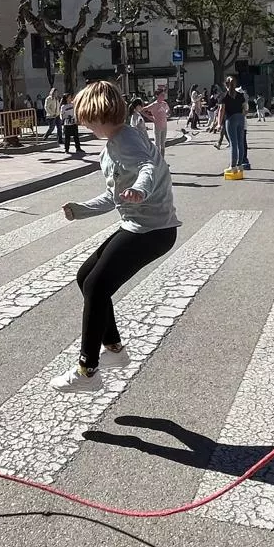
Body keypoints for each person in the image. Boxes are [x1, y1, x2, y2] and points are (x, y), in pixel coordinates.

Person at [54, 81, 180, 392]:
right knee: (86, 277)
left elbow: (148, 166)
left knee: (97, 286)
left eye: (86, 118)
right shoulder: (111, 147)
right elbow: (114, 197)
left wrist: (140, 189)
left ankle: (87, 370)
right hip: (138, 225)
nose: (84, 124)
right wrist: (81, 210)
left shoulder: (125, 139)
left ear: (98, 114)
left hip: (153, 230)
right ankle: (113, 350)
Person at [214, 75, 250, 172]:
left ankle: (233, 166)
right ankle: (240, 165)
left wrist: (219, 123)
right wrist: (242, 115)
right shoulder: (240, 95)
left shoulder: (224, 96)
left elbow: (221, 110)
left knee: (233, 143)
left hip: (231, 119)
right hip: (241, 118)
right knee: (240, 142)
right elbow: (245, 109)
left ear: (226, 85)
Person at [145, 85, 170, 155]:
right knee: (157, 144)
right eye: (162, 95)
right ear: (157, 96)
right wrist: (150, 118)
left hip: (164, 125)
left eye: (164, 95)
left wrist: (167, 113)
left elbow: (168, 109)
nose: (163, 97)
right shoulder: (154, 105)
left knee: (163, 144)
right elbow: (143, 110)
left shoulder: (164, 104)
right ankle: (157, 159)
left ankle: (162, 159)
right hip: (157, 126)